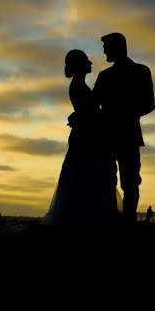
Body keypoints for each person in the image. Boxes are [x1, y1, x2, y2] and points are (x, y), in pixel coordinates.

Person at [43, 50, 119, 225]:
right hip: (86, 137)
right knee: (85, 175)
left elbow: (86, 111)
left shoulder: (79, 85)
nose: (91, 63)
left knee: (84, 176)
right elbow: (89, 113)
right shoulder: (78, 85)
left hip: (86, 134)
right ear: (80, 65)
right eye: (86, 61)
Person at [93, 33, 155, 224]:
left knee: (130, 180)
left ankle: (128, 219)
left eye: (107, 47)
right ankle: (110, 216)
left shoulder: (141, 71)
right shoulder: (104, 76)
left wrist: (124, 113)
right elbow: (93, 105)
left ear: (118, 47)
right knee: (106, 178)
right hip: (106, 136)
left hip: (128, 134)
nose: (104, 51)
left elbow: (149, 104)